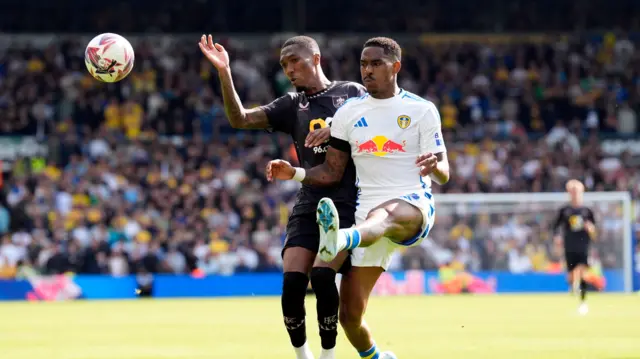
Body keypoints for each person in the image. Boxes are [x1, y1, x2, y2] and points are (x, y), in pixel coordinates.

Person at [266, 37, 450, 359]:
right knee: (350, 318)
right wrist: (294, 173)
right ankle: (379, 358)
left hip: (411, 205)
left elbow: (444, 172)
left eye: (376, 63)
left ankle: (339, 238)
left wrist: (435, 166)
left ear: (395, 66)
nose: (367, 70)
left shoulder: (421, 110)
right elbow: (331, 172)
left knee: (385, 214)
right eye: (363, 64)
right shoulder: (350, 113)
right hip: (364, 218)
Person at [199, 34, 366, 359]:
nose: (289, 70)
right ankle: (302, 356)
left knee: (321, 276)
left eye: (295, 61)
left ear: (316, 58)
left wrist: (337, 128)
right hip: (309, 201)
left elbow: (377, 129)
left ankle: (328, 357)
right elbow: (240, 119)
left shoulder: (351, 94)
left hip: (348, 202)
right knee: (292, 284)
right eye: (284, 65)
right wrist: (224, 72)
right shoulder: (291, 105)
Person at [552, 179, 596, 315]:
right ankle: (573, 283)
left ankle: (583, 302)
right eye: (572, 191)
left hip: (583, 245)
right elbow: (555, 227)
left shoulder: (587, 211)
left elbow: (595, 230)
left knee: (582, 271)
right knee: (571, 275)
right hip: (569, 245)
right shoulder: (564, 210)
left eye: (577, 191)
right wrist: (557, 237)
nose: (575, 194)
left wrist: (591, 229)